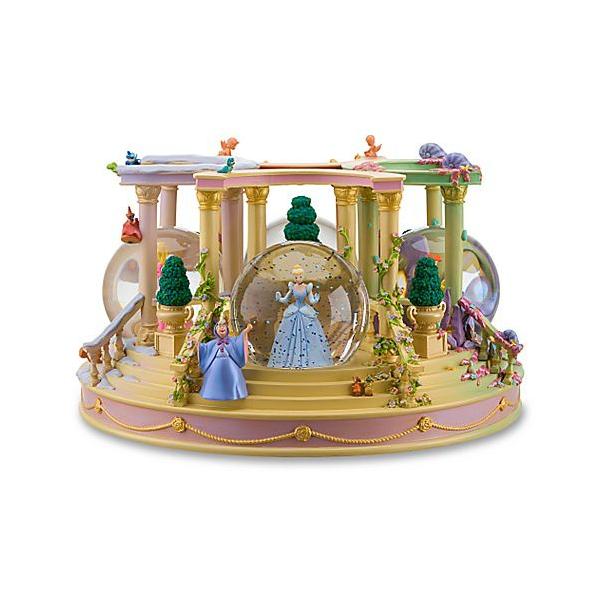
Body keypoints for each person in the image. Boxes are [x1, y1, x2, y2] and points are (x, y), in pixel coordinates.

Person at [268, 265, 333, 369]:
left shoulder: (307, 287)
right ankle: (288, 359)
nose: (298, 279)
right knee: (288, 335)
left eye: (300, 276)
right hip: (294, 310)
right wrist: (279, 298)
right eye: (296, 277)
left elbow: (311, 300)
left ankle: (310, 359)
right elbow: (286, 299)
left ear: (303, 276)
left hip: (304, 310)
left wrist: (316, 299)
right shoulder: (292, 287)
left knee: (309, 334)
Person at [198, 318, 252, 401]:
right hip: (215, 366)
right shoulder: (213, 343)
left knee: (233, 377)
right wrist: (197, 344)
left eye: (223, 326)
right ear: (215, 330)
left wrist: (246, 331)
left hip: (230, 365)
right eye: (219, 326)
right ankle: (213, 393)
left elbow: (240, 339)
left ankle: (234, 393)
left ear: (227, 329)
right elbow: (204, 348)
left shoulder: (232, 341)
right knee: (213, 379)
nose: (221, 327)